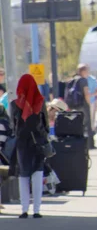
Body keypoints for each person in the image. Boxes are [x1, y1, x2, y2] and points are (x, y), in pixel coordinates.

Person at [10, 74, 49, 219]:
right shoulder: (40, 101)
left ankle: (24, 210)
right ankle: (37, 210)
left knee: (23, 175)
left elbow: (14, 126)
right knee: (37, 174)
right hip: (37, 142)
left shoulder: (15, 104)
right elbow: (45, 124)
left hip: (22, 143)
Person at [66, 64, 97, 150]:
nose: (87, 73)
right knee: (87, 125)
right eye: (87, 71)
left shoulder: (72, 80)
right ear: (82, 71)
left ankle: (78, 143)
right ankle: (90, 144)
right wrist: (89, 103)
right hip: (83, 105)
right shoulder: (83, 80)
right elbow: (86, 94)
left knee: (78, 125)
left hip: (74, 106)